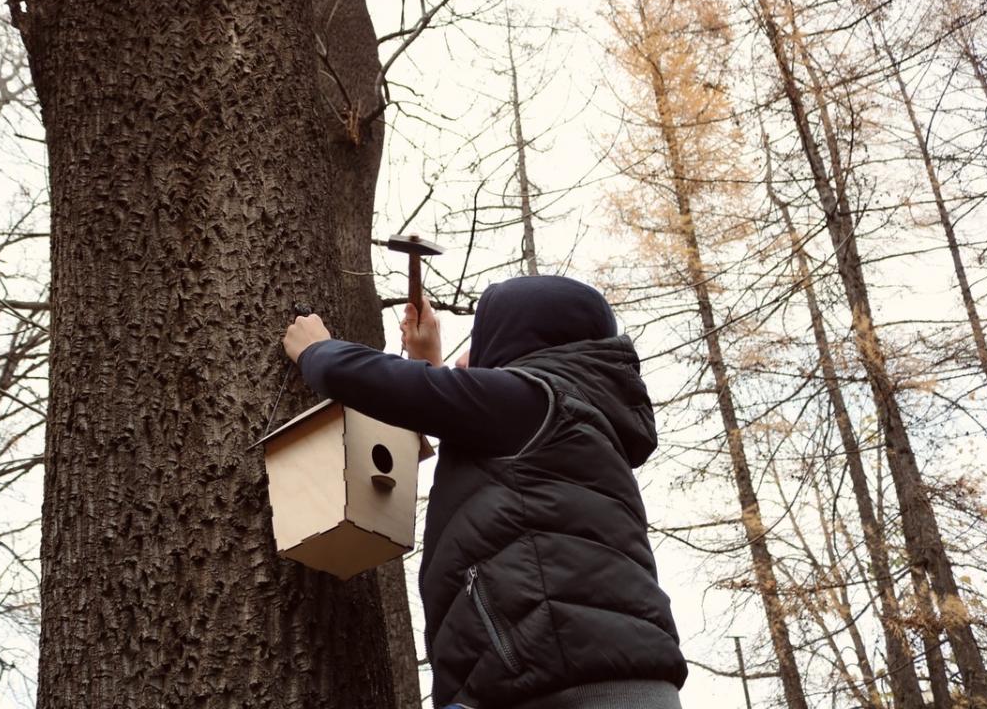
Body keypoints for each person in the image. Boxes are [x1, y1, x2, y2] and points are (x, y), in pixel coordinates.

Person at [282, 275, 687, 709]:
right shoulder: (570, 419)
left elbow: (397, 387)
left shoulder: (536, 401)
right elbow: (479, 443)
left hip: (559, 686)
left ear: (521, 341)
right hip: (579, 680)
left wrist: (318, 352)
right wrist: (431, 364)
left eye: (485, 338)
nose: (466, 357)